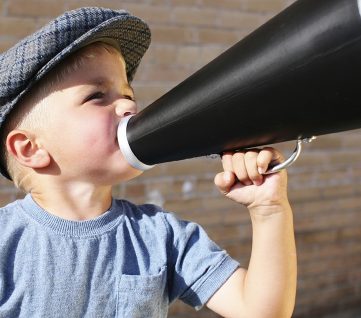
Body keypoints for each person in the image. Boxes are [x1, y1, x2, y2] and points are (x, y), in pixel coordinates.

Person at [0, 7, 296, 318]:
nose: (129, 104)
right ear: (30, 148)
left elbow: (263, 312)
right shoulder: (7, 241)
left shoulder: (162, 235)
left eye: (128, 93)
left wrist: (269, 209)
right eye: (97, 95)